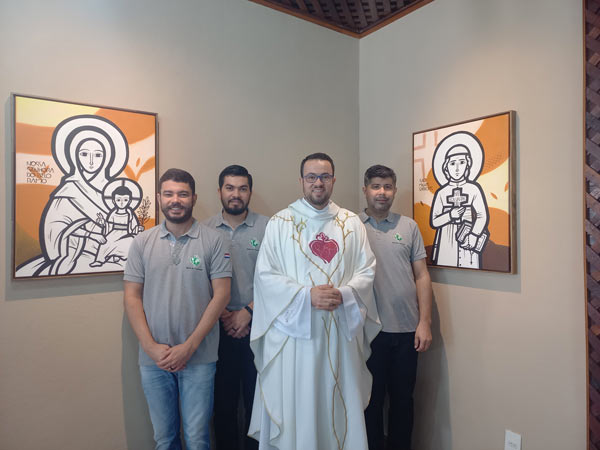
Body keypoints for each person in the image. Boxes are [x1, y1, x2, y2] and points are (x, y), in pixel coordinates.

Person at [248, 153, 381, 450]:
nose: (318, 183)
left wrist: (344, 294)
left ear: (333, 180)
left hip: (340, 335)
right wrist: (307, 295)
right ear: (301, 181)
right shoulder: (281, 222)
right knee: (301, 401)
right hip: (296, 338)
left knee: (338, 404)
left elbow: (367, 270)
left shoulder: (351, 223)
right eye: (311, 177)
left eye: (324, 177)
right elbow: (265, 276)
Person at [123, 168, 232, 450]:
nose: (176, 200)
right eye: (169, 194)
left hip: (199, 357)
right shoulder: (142, 242)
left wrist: (189, 347)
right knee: (164, 439)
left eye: (183, 194)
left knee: (197, 439)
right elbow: (132, 297)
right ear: (159, 197)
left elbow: (221, 295)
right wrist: (150, 347)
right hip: (154, 360)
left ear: (194, 198)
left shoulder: (214, 240)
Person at [361, 165, 433, 450]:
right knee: (371, 402)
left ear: (394, 190)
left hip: (407, 332)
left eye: (388, 187)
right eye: (376, 186)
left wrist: (424, 322)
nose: (382, 192)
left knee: (403, 402)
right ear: (365, 190)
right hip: (368, 333)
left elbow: (422, 276)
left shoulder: (408, 226)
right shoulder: (351, 226)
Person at [202, 165, 268, 450]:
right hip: (217, 329)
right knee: (223, 404)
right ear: (219, 191)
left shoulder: (269, 228)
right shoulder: (203, 230)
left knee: (258, 403)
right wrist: (225, 314)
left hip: (259, 328)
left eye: (242, 188)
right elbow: (200, 282)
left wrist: (247, 312)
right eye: (230, 188)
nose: (236, 194)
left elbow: (276, 279)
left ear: (250, 192)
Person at [16, 115, 129, 276]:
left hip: (112, 253)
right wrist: (91, 234)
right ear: (75, 156)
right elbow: (55, 229)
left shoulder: (114, 192)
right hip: (78, 253)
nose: (91, 161)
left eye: (98, 155)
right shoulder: (69, 191)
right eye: (84, 154)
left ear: (107, 158)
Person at [430, 131, 490, 269]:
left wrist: (474, 235)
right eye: (452, 163)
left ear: (468, 164)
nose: (457, 168)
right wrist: (451, 215)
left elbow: (482, 215)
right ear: (446, 167)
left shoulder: (473, 189)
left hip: (467, 235)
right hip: (446, 238)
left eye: (461, 162)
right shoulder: (442, 193)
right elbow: (434, 221)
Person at [91, 179, 145, 267]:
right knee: (105, 243)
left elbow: (134, 226)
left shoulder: (129, 213)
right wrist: (103, 223)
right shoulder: (113, 213)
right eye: (118, 200)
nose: (122, 203)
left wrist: (138, 228)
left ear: (129, 201)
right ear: (114, 201)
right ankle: (99, 260)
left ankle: (117, 255)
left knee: (130, 242)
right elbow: (108, 226)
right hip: (113, 233)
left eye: (125, 200)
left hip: (126, 234)